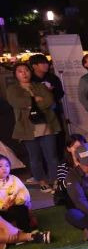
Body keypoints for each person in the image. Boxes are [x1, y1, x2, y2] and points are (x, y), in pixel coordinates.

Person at [9, 62, 60, 193]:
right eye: (20, 71)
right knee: (35, 157)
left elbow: (49, 100)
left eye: (26, 70)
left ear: (30, 72)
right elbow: (16, 102)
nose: (24, 73)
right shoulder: (13, 89)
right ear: (15, 75)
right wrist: (34, 99)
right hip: (27, 128)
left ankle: (55, 180)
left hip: (46, 125)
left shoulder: (39, 86)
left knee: (52, 155)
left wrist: (32, 104)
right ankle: (42, 181)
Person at [0, 155, 33, 232]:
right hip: (2, 212)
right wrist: (3, 206)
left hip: (14, 207)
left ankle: (25, 231)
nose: (4, 168)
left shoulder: (14, 179)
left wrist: (16, 201)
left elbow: (23, 192)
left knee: (21, 209)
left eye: (7, 165)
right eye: (0, 166)